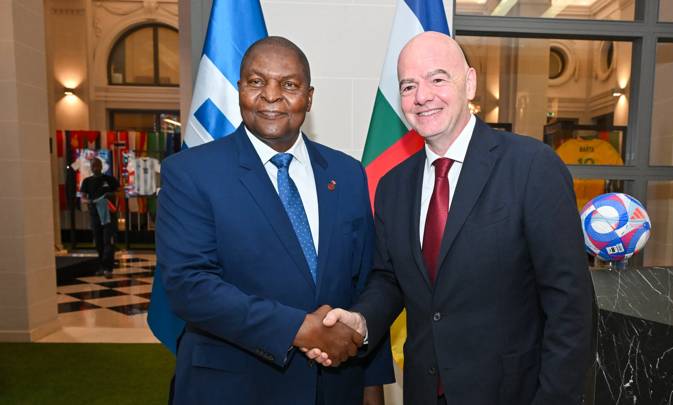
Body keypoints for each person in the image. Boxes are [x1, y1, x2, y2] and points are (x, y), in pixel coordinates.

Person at [311, 32, 593, 405]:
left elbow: (570, 305)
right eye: (408, 85)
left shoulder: (531, 167)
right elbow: (391, 278)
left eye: (437, 78)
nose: (422, 96)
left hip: (512, 393)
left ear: (470, 83)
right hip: (424, 392)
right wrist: (362, 321)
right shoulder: (393, 185)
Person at [156, 36, 393, 405]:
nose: (271, 95)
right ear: (239, 89)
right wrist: (300, 329)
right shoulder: (190, 173)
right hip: (233, 390)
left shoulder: (347, 174)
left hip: (334, 388)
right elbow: (190, 285)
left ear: (309, 97)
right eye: (256, 81)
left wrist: (372, 384)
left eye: (289, 84)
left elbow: (366, 279)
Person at [79, 157, 119, 277]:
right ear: (90, 167)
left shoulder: (110, 180)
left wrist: (110, 195)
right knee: (99, 241)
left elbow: (120, 192)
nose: (95, 168)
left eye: (97, 165)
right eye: (93, 166)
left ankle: (108, 268)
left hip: (108, 216)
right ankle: (101, 266)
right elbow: (83, 198)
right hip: (95, 215)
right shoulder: (86, 182)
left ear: (101, 166)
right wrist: (89, 201)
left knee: (108, 241)